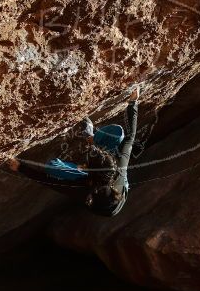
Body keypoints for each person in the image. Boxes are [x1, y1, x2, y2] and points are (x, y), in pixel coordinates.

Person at [9, 88, 139, 217]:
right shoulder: (120, 171)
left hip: (100, 205)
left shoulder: (83, 190)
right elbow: (129, 139)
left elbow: (52, 184)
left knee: (52, 167)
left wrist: (20, 168)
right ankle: (90, 137)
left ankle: (88, 142)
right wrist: (133, 103)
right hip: (112, 187)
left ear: (86, 169)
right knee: (117, 134)